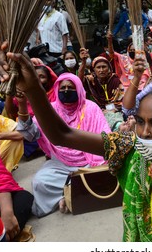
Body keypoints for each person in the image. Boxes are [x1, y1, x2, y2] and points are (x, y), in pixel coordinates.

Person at [3, 49, 152, 241]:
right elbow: (61, 134)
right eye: (140, 121)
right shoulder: (129, 150)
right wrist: (33, 89)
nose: (144, 132)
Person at [16, 73, 111, 217]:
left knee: (108, 173)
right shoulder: (49, 109)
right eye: (63, 88)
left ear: (79, 89)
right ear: (56, 90)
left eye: (70, 87)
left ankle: (69, 194)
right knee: (40, 183)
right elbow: (29, 135)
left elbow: (105, 136)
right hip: (60, 163)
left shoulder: (90, 107)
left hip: (90, 161)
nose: (66, 90)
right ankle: (69, 194)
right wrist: (22, 106)